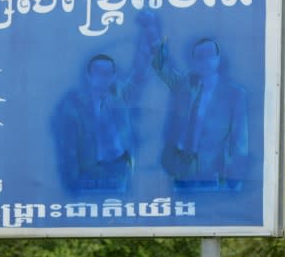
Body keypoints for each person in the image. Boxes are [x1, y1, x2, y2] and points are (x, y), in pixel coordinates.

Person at [145, 13, 250, 191]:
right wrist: (156, 41)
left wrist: (235, 174)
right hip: (181, 169)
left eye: (210, 55)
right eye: (199, 56)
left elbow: (239, 139)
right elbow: (160, 67)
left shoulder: (234, 94)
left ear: (218, 59)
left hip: (213, 172)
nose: (205, 60)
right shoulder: (183, 84)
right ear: (193, 61)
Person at [52, 13, 154, 193]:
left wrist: (146, 35)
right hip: (87, 173)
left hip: (118, 171)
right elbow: (67, 146)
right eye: (99, 73)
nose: (103, 78)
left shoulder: (121, 99)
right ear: (89, 76)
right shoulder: (74, 105)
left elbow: (140, 70)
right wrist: (73, 179)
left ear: (113, 76)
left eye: (108, 74)